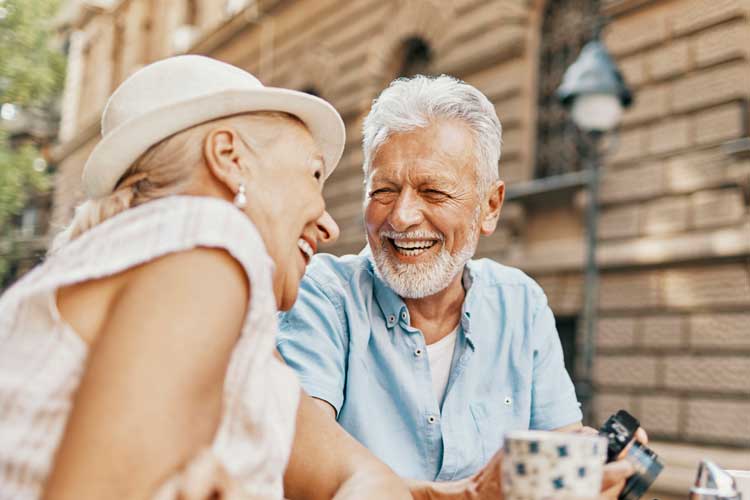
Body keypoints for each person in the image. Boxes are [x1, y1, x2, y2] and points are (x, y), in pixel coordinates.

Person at [0, 55, 409, 500]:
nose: (328, 225)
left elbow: (363, 478)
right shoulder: (206, 240)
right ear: (229, 157)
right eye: (313, 175)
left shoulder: (207, 293)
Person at [277, 75, 646, 498]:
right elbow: (303, 473)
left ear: (490, 206)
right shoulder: (322, 293)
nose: (401, 217)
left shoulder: (520, 302)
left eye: (433, 192)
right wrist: (468, 495)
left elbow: (557, 448)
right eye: (383, 190)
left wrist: (596, 468)